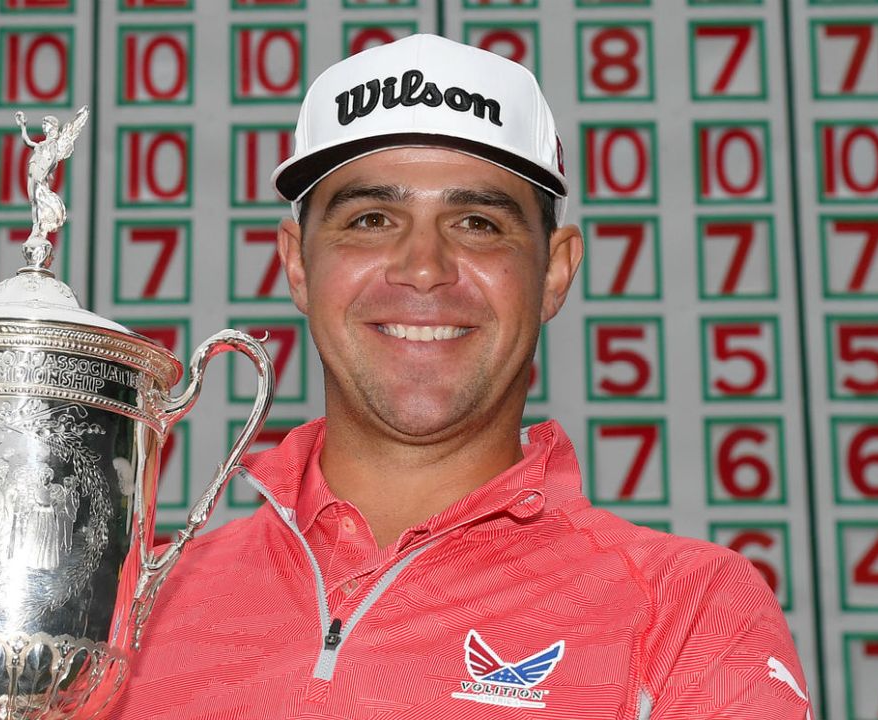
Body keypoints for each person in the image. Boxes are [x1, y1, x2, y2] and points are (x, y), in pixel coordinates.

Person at [110, 34, 812, 719]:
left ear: (554, 272)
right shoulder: (131, 606)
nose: (423, 267)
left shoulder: (688, 611)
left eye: (477, 222)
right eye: (372, 218)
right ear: (297, 263)